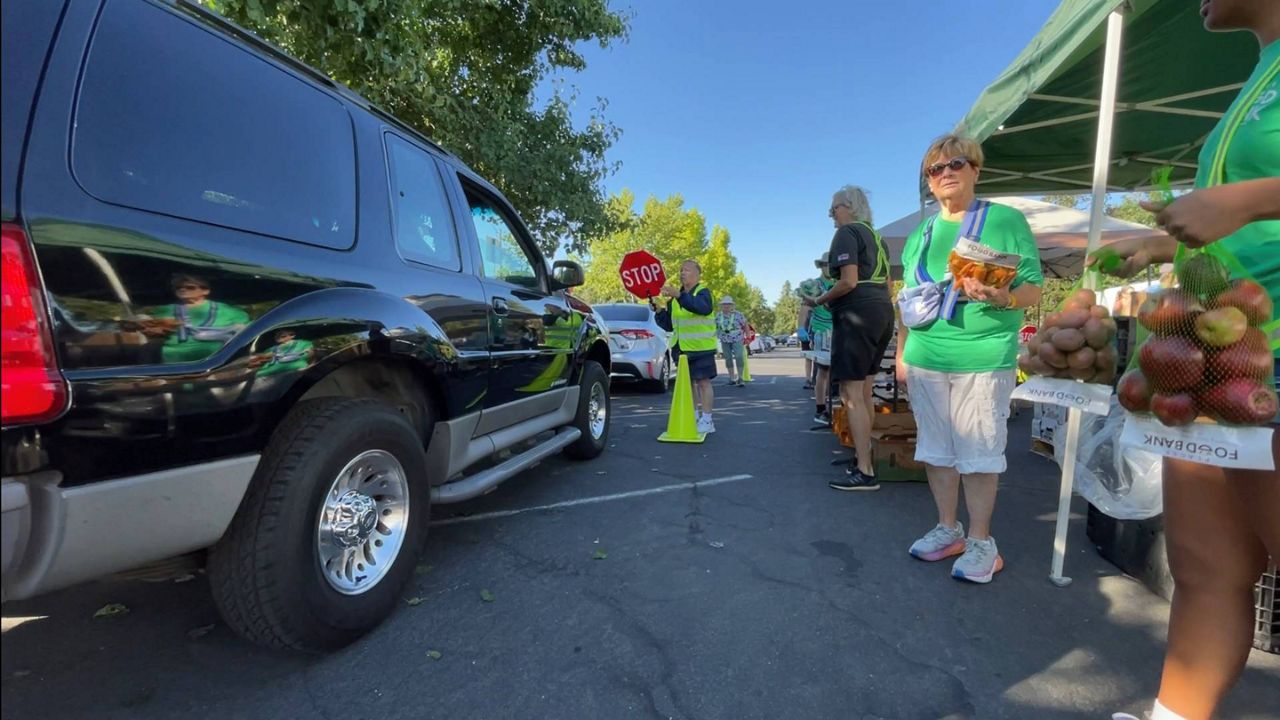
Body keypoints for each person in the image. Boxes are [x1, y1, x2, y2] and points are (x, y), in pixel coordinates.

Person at [1096, 5, 1280, 718]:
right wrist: (1162, 243)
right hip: (1214, 362)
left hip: (1272, 356)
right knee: (1208, 570)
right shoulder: (1256, 73)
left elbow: (1252, 205)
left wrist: (1249, 198)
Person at [896, 135, 1043, 584]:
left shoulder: (1004, 220)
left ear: (976, 169)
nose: (945, 174)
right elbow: (906, 298)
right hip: (925, 355)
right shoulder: (920, 233)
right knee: (937, 452)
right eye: (934, 170)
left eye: (955, 164)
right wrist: (902, 354)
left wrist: (1002, 297)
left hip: (981, 355)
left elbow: (1033, 288)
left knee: (978, 453)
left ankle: (982, 542)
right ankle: (949, 529)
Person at [803, 185, 894, 491]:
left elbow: (848, 281)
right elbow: (889, 285)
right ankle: (862, 457)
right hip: (882, 310)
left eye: (834, 208)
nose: (832, 214)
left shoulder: (846, 233)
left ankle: (865, 470)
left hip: (858, 313)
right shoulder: (877, 238)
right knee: (865, 391)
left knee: (851, 395)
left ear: (850, 207)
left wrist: (819, 300)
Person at [655, 260, 719, 434]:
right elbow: (669, 325)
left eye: (687, 270)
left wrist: (679, 296)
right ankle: (694, 415)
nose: (683, 273)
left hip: (701, 347)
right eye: (681, 270)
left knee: (703, 382)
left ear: (697, 274)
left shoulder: (703, 292)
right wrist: (659, 312)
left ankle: (707, 420)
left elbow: (702, 308)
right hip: (681, 348)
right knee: (688, 384)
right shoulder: (674, 299)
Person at [146, 274, 250, 364]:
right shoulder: (165, 310)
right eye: (178, 287)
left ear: (205, 290)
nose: (183, 289)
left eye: (190, 287)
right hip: (173, 357)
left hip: (217, 358)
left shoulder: (229, 310)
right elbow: (155, 332)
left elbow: (247, 331)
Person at [799, 255, 836, 426]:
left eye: (832, 264)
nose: (830, 267)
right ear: (821, 267)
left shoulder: (840, 283)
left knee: (842, 372)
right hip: (821, 331)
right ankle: (820, 409)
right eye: (827, 265)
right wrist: (801, 328)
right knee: (824, 370)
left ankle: (839, 407)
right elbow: (805, 308)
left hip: (841, 330)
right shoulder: (814, 285)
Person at [715, 296, 749, 387]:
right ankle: (731, 378)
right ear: (722, 306)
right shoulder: (718, 315)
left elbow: (745, 325)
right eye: (724, 304)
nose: (726, 306)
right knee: (728, 358)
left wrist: (748, 336)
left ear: (731, 305)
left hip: (737, 338)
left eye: (728, 304)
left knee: (739, 356)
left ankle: (740, 377)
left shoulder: (738, 314)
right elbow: (715, 327)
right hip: (724, 338)